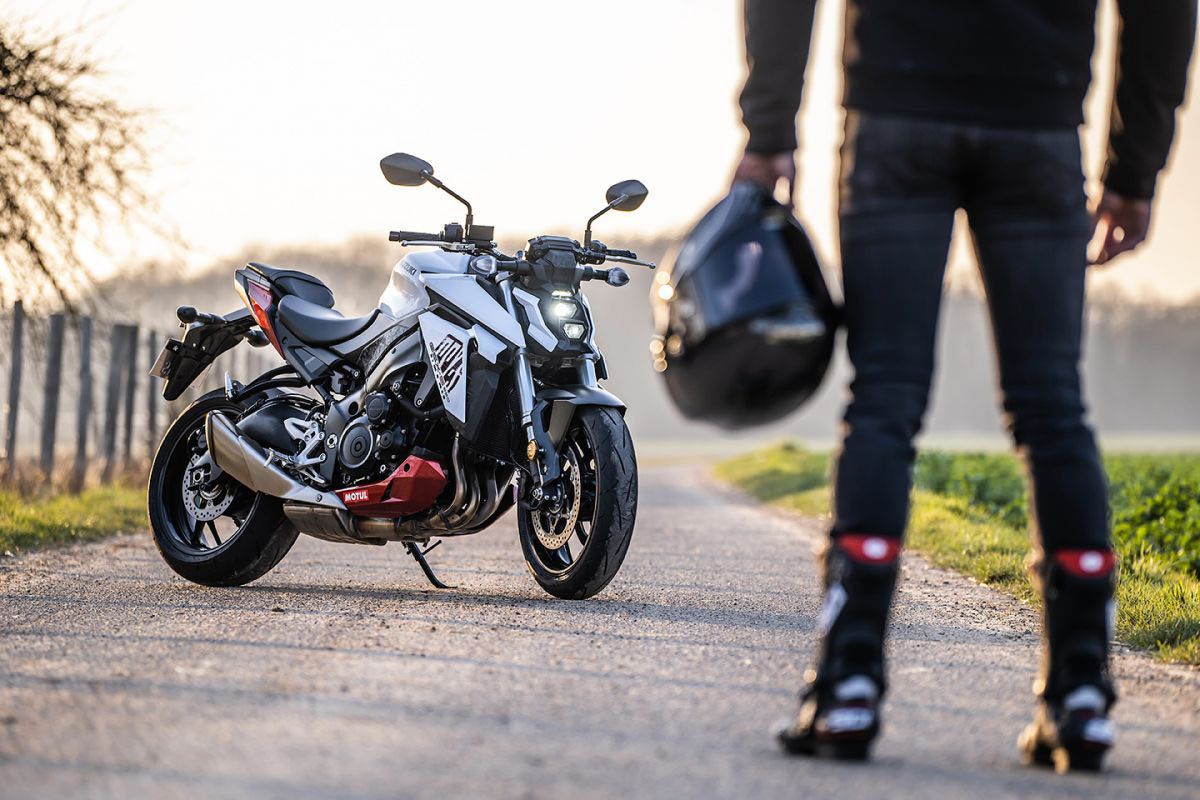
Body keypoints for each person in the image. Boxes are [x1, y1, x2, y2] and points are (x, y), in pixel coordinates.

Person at [733, 0, 1196, 767]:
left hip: (896, 111)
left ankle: (849, 683)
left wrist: (769, 128)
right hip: (1037, 122)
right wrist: (1134, 168)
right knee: (1052, 407)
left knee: (884, 399)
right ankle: (1081, 693)